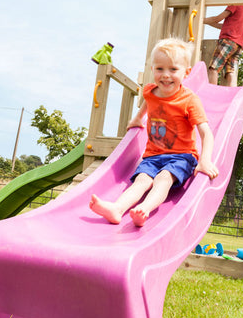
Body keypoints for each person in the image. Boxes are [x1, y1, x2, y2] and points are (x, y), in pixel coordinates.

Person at [89, 37, 219, 227]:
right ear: (153, 70)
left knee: (163, 178)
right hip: (152, 156)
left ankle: (145, 209)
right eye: (160, 69)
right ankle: (117, 209)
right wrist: (137, 118)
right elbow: (147, 102)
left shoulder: (189, 100)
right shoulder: (151, 91)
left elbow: (206, 133)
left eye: (173, 69)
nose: (166, 75)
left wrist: (204, 161)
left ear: (186, 72)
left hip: (181, 157)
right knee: (141, 180)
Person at [204, 0, 243, 87]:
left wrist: (201, 20)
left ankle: (212, 91)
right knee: (231, 71)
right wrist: (207, 22)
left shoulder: (235, 4)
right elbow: (223, 25)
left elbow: (217, 18)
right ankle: (232, 92)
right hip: (238, 45)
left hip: (228, 41)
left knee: (213, 68)